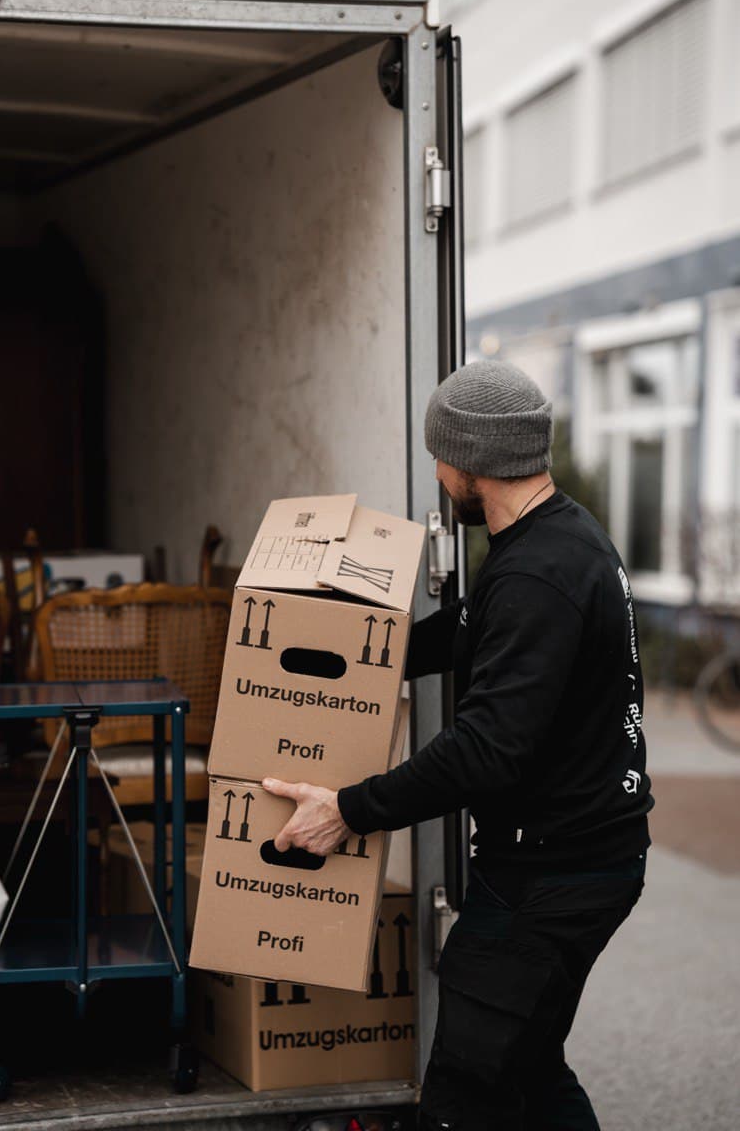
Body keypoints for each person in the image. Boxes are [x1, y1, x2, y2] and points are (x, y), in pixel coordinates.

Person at [263, 359, 653, 1131]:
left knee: (463, 1096)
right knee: (529, 1073)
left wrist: (348, 810)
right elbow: (471, 632)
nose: (436, 473)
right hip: (570, 860)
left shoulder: (538, 573)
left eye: (438, 455)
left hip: (550, 878)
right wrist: (353, 649)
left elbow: (487, 749)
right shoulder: (549, 541)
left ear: (469, 459)